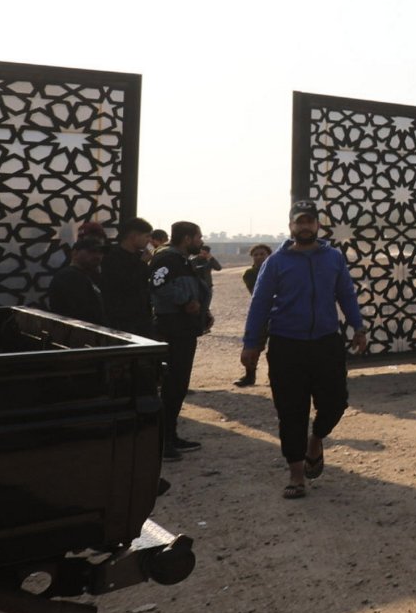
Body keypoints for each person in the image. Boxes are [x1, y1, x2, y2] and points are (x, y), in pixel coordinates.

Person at [241, 199, 366, 500]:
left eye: (310, 221)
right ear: (291, 226)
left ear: (318, 225)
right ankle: (297, 474)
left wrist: (358, 327)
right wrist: (251, 344)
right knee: (291, 410)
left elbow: (345, 294)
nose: (305, 226)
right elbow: (259, 304)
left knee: (336, 402)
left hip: (325, 342)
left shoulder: (333, 258)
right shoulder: (276, 262)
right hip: (287, 345)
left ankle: (316, 439)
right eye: (300, 221)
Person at [150, 221, 211, 460]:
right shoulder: (167, 259)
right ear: (187, 238)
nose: (200, 241)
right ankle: (163, 442)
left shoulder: (181, 260)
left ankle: (170, 435)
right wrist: (185, 301)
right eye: (198, 237)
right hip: (172, 329)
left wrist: (202, 311)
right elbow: (157, 285)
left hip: (184, 329)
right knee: (172, 386)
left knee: (178, 386)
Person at [102, 217, 155, 336]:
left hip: (142, 319)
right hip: (122, 321)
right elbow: (123, 284)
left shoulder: (140, 256)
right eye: (147, 236)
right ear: (134, 236)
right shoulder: (113, 257)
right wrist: (142, 264)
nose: (149, 240)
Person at [233, 244, 275, 387]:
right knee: (253, 346)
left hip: (278, 313)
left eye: (262, 254)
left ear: (269, 255)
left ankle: (275, 376)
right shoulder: (250, 274)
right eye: (256, 255)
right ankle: (250, 376)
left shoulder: (277, 270)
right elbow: (257, 294)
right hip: (261, 312)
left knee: (276, 348)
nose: (259, 257)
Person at [47, 238, 107, 325]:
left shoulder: (84, 276)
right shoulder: (69, 276)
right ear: (75, 253)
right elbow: (82, 314)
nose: (98, 255)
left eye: (101, 252)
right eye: (92, 251)